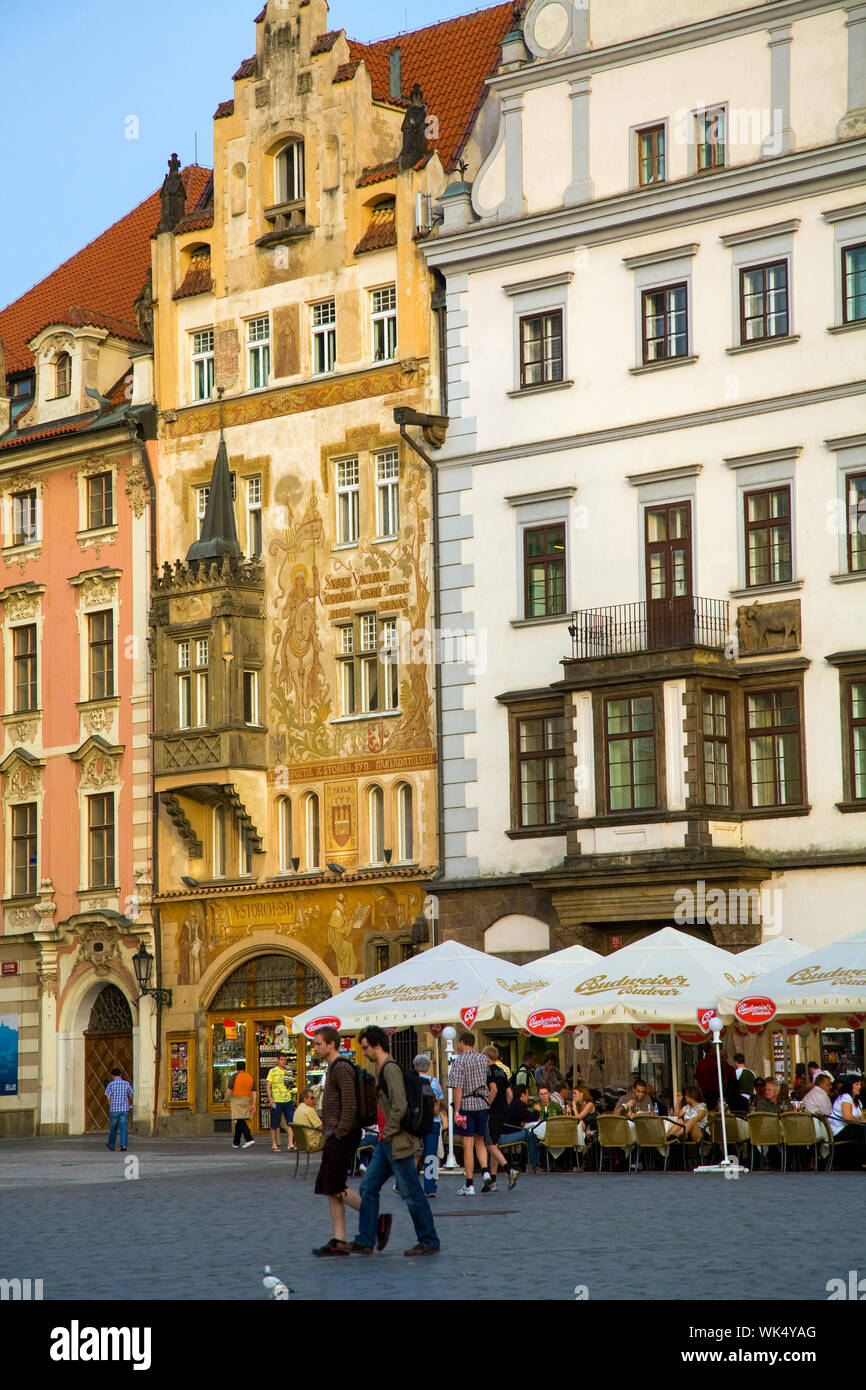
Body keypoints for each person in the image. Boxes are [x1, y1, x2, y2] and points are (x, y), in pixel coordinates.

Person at [351, 1027, 440, 1257]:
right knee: (367, 1186)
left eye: (365, 1047)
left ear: (376, 1045)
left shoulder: (390, 1069)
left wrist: (388, 1132)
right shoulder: (383, 1069)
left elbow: (399, 1105)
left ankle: (429, 1240)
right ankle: (366, 1239)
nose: (364, 1052)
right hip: (385, 1141)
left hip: (395, 1141)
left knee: (412, 1193)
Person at [311, 1025, 364, 1257]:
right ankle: (339, 1239)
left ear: (331, 1044)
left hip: (341, 1135)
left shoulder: (341, 1067)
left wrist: (339, 1132)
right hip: (335, 1134)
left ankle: (375, 1216)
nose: (315, 1048)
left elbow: (350, 1105)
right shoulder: (332, 1067)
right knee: (329, 1187)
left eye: (318, 1044)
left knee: (335, 1185)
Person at [448, 1030, 493, 1196]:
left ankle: (469, 1183)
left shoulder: (460, 1061)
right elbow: (487, 1079)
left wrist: (457, 1110)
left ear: (461, 1042)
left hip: (467, 1103)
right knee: (480, 1141)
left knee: (468, 1145)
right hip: (482, 1103)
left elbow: (457, 1088)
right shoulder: (483, 1059)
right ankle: (486, 1172)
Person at [481, 1044, 519, 1192]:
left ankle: (510, 1170)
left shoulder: (488, 1071)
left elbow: (494, 1090)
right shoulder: (502, 1072)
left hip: (492, 1111)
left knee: (489, 1144)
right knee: (494, 1144)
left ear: (486, 1057)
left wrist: (487, 1105)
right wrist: (506, 1107)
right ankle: (493, 1180)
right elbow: (509, 1093)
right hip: (502, 1111)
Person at [414, 1053, 443, 1198]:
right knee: (430, 1154)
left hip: (415, 1121)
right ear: (428, 1066)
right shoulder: (434, 1081)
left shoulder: (411, 1081)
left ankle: (407, 1184)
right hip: (433, 1120)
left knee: (412, 1153)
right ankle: (430, 1187)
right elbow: (440, 1099)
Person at [828, 1074, 866, 1163]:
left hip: (848, 1128)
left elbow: (862, 1118)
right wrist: (862, 1121)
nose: (859, 1087)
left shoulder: (857, 1101)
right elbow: (847, 1117)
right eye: (857, 1084)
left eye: (860, 1084)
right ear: (850, 1085)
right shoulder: (845, 1097)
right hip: (839, 1130)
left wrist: (862, 1121)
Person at [266, 1051, 296, 1153]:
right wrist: (270, 1098)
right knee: (275, 1123)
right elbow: (268, 1086)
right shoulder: (273, 1071)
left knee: (291, 1122)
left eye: (284, 1060)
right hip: (276, 1101)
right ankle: (274, 1144)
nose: (283, 1062)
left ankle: (290, 1144)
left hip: (287, 1099)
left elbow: (291, 1085)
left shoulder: (288, 1071)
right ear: (278, 1060)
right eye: (281, 1060)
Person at [224, 1059, 256, 1150]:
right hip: (247, 1099)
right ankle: (236, 1142)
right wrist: (253, 1104)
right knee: (239, 1120)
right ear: (245, 1068)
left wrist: (224, 1100)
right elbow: (254, 1091)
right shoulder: (250, 1077)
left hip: (237, 1099)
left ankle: (248, 1138)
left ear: (236, 1068)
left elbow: (229, 1090)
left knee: (240, 1119)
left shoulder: (234, 1076)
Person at [105, 1067, 134, 1152]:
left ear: (113, 1076)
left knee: (113, 1127)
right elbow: (131, 1094)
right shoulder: (126, 1083)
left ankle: (111, 1145)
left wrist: (109, 1105)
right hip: (124, 1109)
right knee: (123, 1127)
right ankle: (123, 1145)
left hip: (114, 1109)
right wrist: (131, 1103)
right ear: (120, 1075)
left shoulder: (110, 1084)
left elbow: (108, 1097)